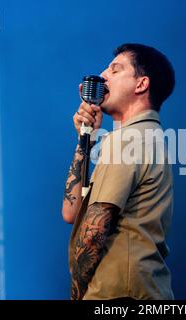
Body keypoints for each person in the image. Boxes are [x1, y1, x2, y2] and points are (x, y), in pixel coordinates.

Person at [61, 43, 175, 300]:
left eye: (115, 69)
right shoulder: (142, 137)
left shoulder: (129, 140)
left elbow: (93, 234)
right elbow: (71, 212)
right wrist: (85, 138)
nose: (102, 76)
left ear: (141, 84)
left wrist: (77, 297)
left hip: (119, 297)